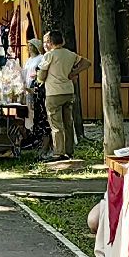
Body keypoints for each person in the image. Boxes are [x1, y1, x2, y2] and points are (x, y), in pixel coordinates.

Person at [36, 31, 90, 161]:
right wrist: (73, 73)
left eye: (45, 42)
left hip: (54, 93)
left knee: (56, 124)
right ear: (63, 41)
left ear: (49, 42)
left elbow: (42, 75)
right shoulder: (70, 54)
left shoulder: (49, 55)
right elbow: (86, 63)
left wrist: (38, 79)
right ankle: (69, 150)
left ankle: (58, 152)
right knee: (68, 122)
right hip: (68, 91)